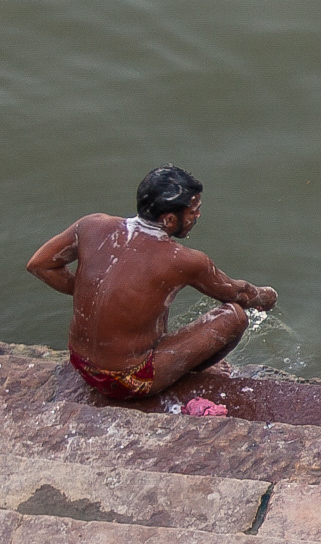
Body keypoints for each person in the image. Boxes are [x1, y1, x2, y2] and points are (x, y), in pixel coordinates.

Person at [26, 165, 277, 400]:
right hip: (129, 380)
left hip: (80, 363)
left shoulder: (92, 224)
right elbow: (237, 294)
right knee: (234, 316)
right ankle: (187, 373)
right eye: (192, 211)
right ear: (169, 220)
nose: (198, 215)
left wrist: (90, 291)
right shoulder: (183, 259)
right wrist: (266, 297)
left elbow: (40, 264)